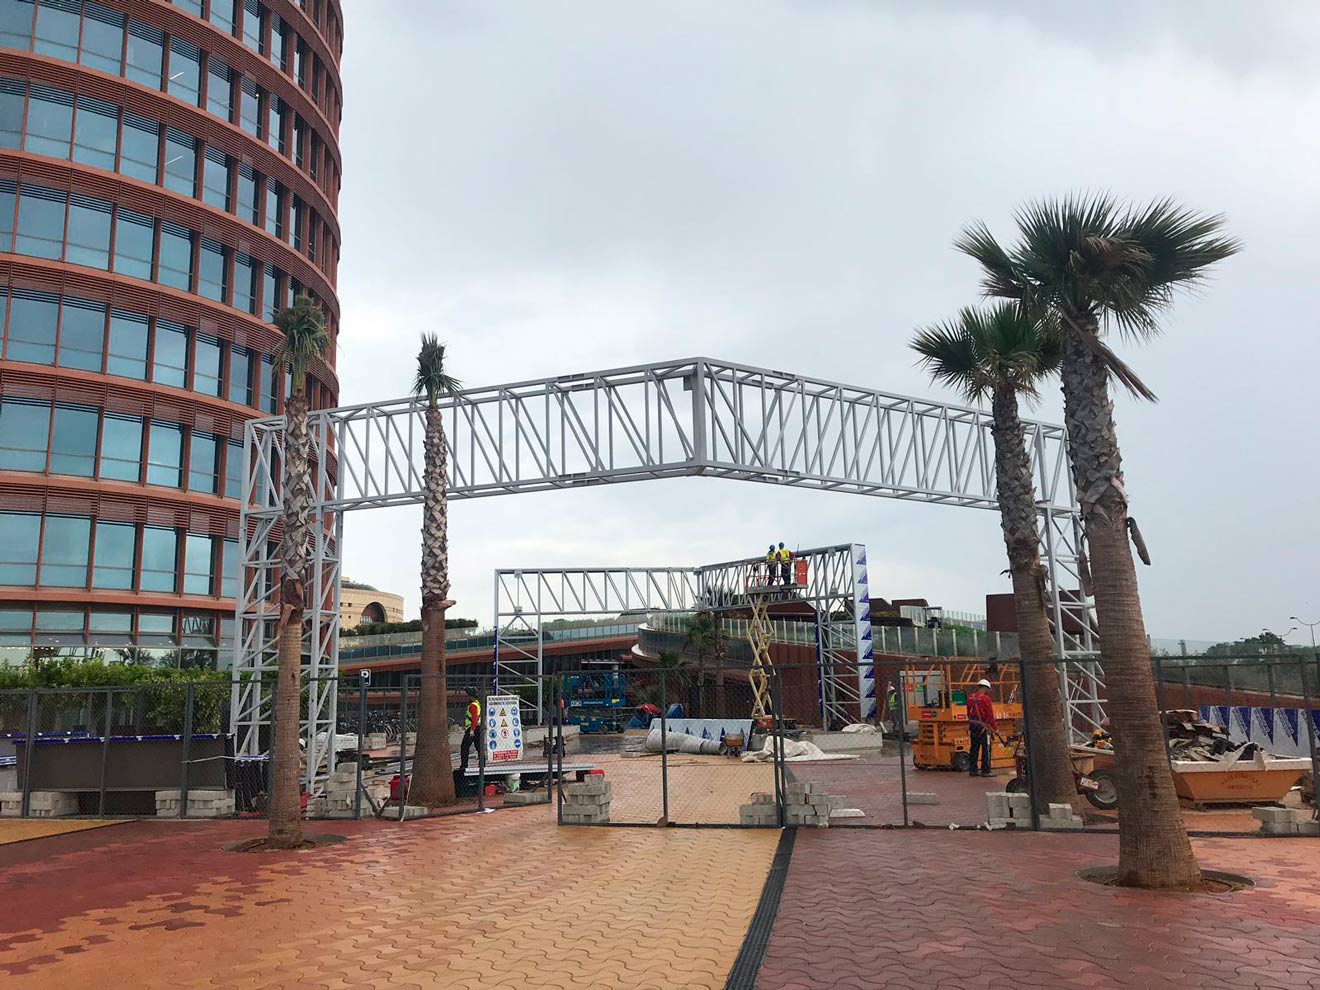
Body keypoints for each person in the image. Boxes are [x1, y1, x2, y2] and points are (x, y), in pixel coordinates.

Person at [966, 678, 997, 777]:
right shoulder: (986, 699)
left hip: (973, 726)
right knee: (986, 749)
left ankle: (973, 770)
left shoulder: (970, 698)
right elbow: (990, 716)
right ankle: (985, 770)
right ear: (986, 688)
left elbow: (968, 713)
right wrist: (995, 729)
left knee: (974, 748)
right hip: (983, 728)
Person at [459, 688, 482, 774]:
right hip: (478, 728)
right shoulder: (477, 703)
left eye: (468, 695)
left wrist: (472, 730)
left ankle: (464, 765)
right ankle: (482, 765)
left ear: (470, 696)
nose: (467, 697)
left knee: (464, 746)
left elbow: (475, 718)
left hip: (473, 728)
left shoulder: (473, 705)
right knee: (479, 747)